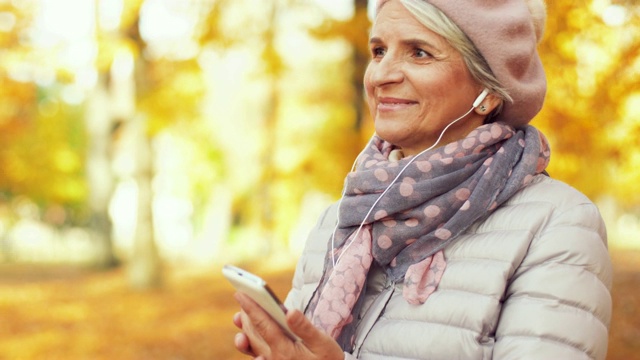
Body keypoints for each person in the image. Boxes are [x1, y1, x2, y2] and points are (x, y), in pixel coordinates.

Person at [232, 0, 613, 358]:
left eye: (419, 52)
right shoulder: (341, 219)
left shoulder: (557, 224)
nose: (381, 75)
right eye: (379, 50)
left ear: (489, 91)